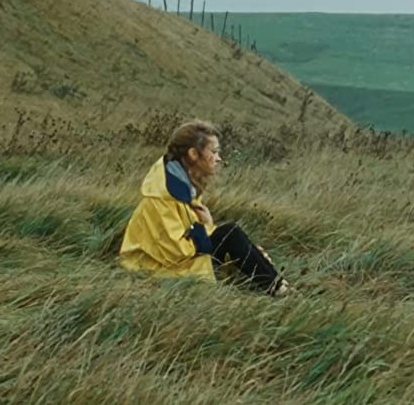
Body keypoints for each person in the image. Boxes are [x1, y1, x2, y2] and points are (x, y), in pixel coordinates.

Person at [118, 120, 289, 295]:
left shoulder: (183, 186)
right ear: (193, 153)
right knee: (231, 234)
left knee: (236, 240)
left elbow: (192, 234)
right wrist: (206, 227)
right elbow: (176, 251)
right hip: (153, 268)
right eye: (213, 152)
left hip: (176, 260)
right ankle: (278, 289)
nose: (218, 158)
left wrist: (249, 250)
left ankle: (278, 285)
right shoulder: (162, 198)